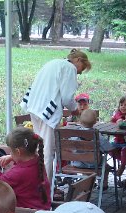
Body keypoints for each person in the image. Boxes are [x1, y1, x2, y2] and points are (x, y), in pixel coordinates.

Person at [20, 48, 92, 181]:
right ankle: (45, 186)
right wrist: (75, 109)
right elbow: (67, 98)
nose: (80, 73)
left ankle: (36, 181)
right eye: (82, 68)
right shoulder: (69, 68)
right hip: (47, 111)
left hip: (34, 106)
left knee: (40, 148)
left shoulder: (53, 63)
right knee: (47, 152)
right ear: (78, 60)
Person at [0, 127, 51, 211]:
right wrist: (12, 157)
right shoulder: (38, 160)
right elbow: (25, 158)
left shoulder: (18, 173)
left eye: (11, 151)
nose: (10, 153)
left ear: (18, 152)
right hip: (42, 210)